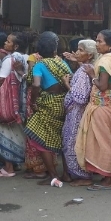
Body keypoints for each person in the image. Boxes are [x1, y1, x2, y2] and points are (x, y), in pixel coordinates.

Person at [75, 30, 111, 191]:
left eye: (100, 41)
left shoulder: (105, 62)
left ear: (110, 45)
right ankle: (109, 175)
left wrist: (92, 75)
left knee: (103, 142)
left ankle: (108, 179)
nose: (97, 44)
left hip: (103, 107)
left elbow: (102, 86)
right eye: (97, 40)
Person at [24, 31, 72, 185]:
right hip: (63, 101)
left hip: (47, 103)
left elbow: (36, 84)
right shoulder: (62, 62)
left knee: (37, 137)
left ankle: (53, 175)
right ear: (54, 49)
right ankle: (66, 174)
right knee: (62, 139)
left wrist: (33, 102)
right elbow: (70, 79)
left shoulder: (39, 64)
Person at [60, 40, 98, 186]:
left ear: (89, 55)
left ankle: (83, 176)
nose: (77, 52)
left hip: (76, 112)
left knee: (72, 143)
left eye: (80, 50)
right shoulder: (88, 67)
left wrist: (66, 84)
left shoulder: (84, 71)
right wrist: (77, 60)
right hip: (77, 112)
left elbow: (80, 97)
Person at [0, 32, 31, 177]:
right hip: (21, 103)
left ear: (16, 45)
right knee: (18, 133)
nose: (5, 44)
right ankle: (17, 164)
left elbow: (2, 80)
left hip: (8, 104)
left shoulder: (9, 59)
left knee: (6, 133)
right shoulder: (27, 58)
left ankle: (9, 167)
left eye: (8, 42)